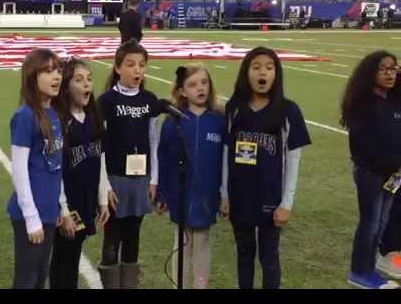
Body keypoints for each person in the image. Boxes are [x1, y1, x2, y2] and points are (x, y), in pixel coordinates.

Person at [220, 46, 311, 289]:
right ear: (246, 72)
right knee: (244, 254)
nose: (263, 73)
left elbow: (293, 160)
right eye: (256, 67)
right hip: (240, 195)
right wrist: (224, 194)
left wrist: (286, 203)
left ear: (276, 74)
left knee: (269, 256)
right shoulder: (234, 108)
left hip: (271, 197)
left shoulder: (288, 111)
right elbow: (227, 152)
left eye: (269, 68)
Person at [7, 48, 73, 289]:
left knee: (40, 276)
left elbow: (56, 166)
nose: (56, 76)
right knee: (26, 279)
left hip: (49, 211)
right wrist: (31, 218)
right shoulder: (25, 116)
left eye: (58, 70)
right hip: (30, 214)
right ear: (32, 76)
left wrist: (62, 207)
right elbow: (19, 171)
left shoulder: (54, 114)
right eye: (47, 71)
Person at [96, 39, 160, 289]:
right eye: (131, 64)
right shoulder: (105, 101)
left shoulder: (150, 100)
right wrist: (104, 185)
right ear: (117, 67)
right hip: (115, 180)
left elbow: (153, 141)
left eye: (141, 65)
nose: (137, 70)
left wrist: (153, 179)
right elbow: (99, 147)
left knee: (133, 236)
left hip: (141, 179)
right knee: (112, 238)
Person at [156, 65, 225, 289]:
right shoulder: (174, 121)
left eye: (204, 82)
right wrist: (162, 194)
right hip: (180, 194)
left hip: (207, 193)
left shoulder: (218, 120)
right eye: (193, 84)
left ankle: (200, 285)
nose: (200, 88)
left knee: (202, 241)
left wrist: (225, 195)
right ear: (182, 91)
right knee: (182, 242)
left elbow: (225, 162)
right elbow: (163, 158)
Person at [340, 51, 401, 289]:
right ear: (370, 73)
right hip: (372, 174)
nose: (390, 73)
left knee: (382, 221)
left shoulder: (393, 98)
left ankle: (369, 266)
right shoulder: (362, 104)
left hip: (393, 175)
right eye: (383, 69)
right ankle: (359, 272)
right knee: (370, 223)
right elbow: (367, 147)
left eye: (393, 68)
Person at [49, 58, 109, 289]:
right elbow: (55, 171)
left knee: (73, 257)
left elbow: (100, 159)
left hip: (86, 202)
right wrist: (63, 210)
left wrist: (102, 200)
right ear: (65, 86)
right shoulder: (59, 122)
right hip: (66, 205)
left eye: (89, 80)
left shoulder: (93, 118)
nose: (86, 85)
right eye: (79, 80)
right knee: (62, 259)